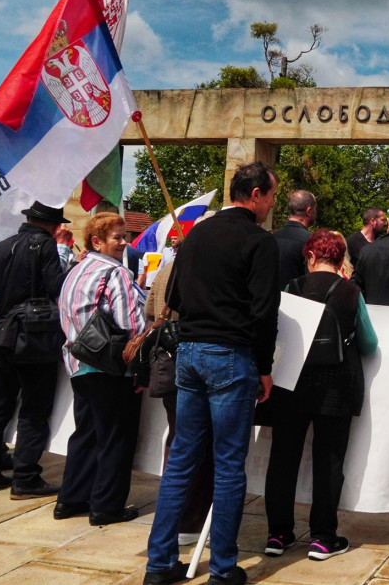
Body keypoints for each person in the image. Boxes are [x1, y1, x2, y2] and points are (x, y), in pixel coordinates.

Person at [145, 161, 280, 585]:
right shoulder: (259, 241)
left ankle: (160, 563)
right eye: (271, 195)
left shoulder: (196, 234)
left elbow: (176, 295)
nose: (271, 204)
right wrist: (264, 367)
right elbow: (264, 313)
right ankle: (222, 568)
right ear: (255, 194)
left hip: (190, 351)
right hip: (230, 355)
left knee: (182, 460)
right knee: (227, 465)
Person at [263, 230, 379, 561]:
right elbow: (369, 343)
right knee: (329, 461)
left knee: (284, 458)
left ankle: (278, 533)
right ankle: (323, 537)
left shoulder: (292, 288)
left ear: (311, 258)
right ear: (341, 259)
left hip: (292, 384)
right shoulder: (351, 291)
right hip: (336, 387)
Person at [0, 201, 72, 500]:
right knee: (34, 408)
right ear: (54, 225)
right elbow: (57, 287)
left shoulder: (4, 246)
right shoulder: (45, 246)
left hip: (6, 333)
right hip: (36, 336)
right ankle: (26, 477)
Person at [55, 212, 148, 526]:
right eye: (117, 237)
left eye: (125, 236)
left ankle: (71, 498)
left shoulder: (76, 269)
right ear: (96, 241)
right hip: (109, 366)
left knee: (87, 433)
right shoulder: (115, 272)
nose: (124, 243)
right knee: (115, 437)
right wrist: (138, 364)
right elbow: (130, 324)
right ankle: (106, 506)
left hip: (78, 362)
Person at [144, 215, 215, 547]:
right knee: (197, 445)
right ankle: (189, 518)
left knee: (178, 439)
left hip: (169, 366)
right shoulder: (200, 269)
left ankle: (172, 517)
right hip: (194, 365)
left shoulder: (167, 270)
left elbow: (148, 312)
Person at [274, 190, 317, 289]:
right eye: (315, 209)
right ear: (309, 211)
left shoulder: (272, 238)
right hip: (297, 300)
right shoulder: (312, 241)